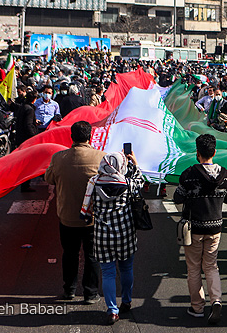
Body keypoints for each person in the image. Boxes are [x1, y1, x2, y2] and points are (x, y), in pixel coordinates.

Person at [173, 133, 227, 325]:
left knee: (193, 268)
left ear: (197, 153)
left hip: (194, 227)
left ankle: (197, 307)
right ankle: (216, 300)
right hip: (215, 226)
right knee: (211, 265)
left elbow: (177, 198)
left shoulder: (189, 174)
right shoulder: (225, 175)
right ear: (214, 152)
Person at [44, 120, 105, 303]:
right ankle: (90, 292)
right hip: (93, 217)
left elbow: (49, 178)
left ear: (72, 137)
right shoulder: (101, 157)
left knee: (69, 254)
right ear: (90, 136)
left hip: (67, 217)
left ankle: (69, 289)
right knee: (92, 255)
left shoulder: (58, 157)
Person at [82, 150, 142, 324]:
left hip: (102, 235)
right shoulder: (127, 182)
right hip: (125, 233)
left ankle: (112, 311)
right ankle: (126, 301)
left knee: (107, 273)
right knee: (126, 269)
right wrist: (135, 164)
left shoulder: (93, 182)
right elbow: (140, 182)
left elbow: (87, 207)